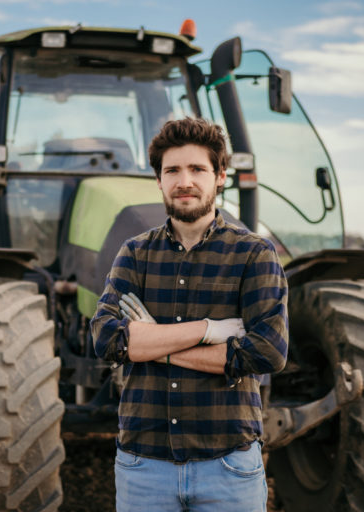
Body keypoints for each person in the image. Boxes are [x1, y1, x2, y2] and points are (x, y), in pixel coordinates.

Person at [91, 117, 288, 512]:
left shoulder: (254, 254)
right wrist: (210, 330)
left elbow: (266, 352)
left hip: (228, 464)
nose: (185, 181)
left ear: (220, 177)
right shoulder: (135, 253)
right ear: (159, 181)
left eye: (197, 169)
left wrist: (150, 343)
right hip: (144, 466)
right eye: (173, 171)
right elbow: (107, 339)